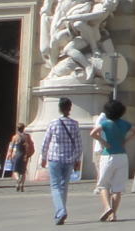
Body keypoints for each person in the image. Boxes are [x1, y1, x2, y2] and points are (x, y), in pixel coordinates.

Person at [89, 99, 135, 222]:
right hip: (122, 156)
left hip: (108, 156)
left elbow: (92, 133)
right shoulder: (125, 124)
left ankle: (107, 207)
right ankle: (113, 214)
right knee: (117, 188)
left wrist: (103, 141)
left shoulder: (105, 123)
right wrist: (126, 140)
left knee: (103, 185)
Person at [40, 96, 82, 226]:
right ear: (70, 108)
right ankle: (60, 211)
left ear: (59, 108)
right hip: (69, 159)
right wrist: (77, 159)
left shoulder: (53, 123)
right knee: (64, 186)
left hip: (55, 158)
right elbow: (79, 144)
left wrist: (43, 157)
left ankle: (61, 211)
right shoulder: (75, 124)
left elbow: (46, 141)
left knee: (55, 186)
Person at [6, 122, 34, 192]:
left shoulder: (15, 137)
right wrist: (29, 154)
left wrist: (9, 154)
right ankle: (22, 185)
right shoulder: (27, 136)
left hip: (17, 154)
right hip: (25, 155)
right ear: (23, 128)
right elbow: (31, 145)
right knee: (23, 171)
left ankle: (18, 179)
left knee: (15, 170)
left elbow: (11, 146)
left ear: (17, 129)